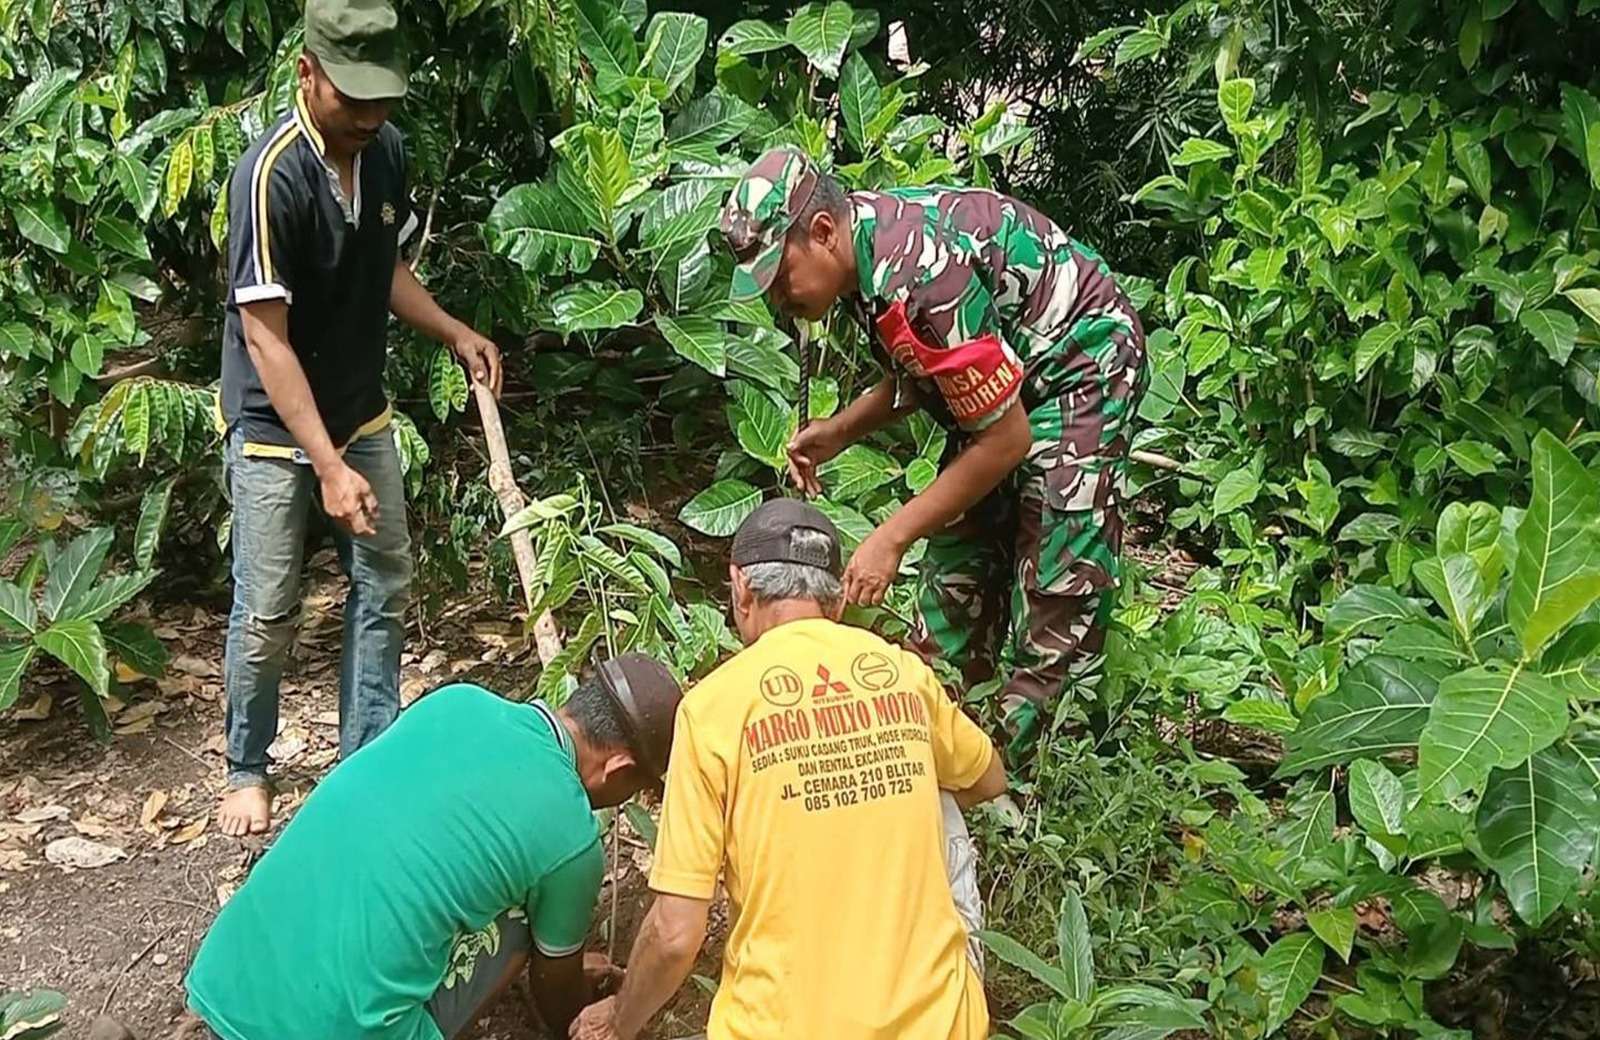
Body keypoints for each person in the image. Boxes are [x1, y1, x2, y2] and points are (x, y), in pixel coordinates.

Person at [720, 148, 1147, 758]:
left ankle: (1029, 780)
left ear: (821, 232)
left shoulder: (919, 273)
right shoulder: (861, 260)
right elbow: (927, 371)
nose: (777, 300)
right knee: (955, 567)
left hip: (1079, 368)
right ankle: (939, 746)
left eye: (780, 278)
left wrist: (889, 538)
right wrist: (843, 430)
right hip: (1007, 393)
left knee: (1057, 575)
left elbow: (1007, 439)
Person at [216, 0, 503, 836]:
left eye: (382, 102)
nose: (370, 119)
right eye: (354, 102)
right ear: (309, 75)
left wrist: (453, 329)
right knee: (269, 607)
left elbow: (387, 269)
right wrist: (327, 467)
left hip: (360, 412)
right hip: (275, 430)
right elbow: (265, 341)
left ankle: (367, 755)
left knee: (382, 583)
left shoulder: (383, 153)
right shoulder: (269, 176)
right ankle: (247, 763)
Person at [571, 500, 1006, 1040]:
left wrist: (619, 1020)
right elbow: (989, 780)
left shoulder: (713, 711)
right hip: (941, 1026)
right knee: (940, 792)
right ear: (838, 597)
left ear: (741, 589)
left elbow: (675, 933)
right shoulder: (900, 673)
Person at [183, 654, 683, 1040]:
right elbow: (554, 996)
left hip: (232, 976)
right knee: (528, 923)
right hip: (338, 1027)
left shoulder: (459, 701)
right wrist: (578, 990)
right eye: (636, 788)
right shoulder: (572, 839)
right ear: (617, 769)